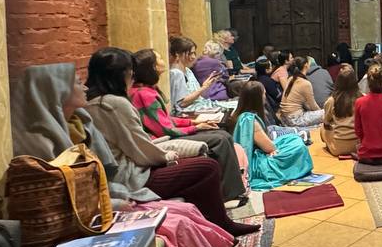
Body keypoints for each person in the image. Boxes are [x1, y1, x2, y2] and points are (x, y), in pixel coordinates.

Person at [12, 64, 273, 247]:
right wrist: (117, 199)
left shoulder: (80, 123)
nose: (84, 86)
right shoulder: (41, 143)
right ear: (57, 91)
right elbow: (69, 197)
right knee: (176, 223)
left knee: (187, 210)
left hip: (112, 196)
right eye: (75, 82)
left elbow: (103, 171)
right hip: (90, 218)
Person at [84, 48, 256, 236]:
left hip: (133, 163)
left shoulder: (97, 103)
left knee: (217, 141)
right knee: (208, 163)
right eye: (129, 71)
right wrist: (169, 155)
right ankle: (222, 222)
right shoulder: (116, 103)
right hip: (132, 174)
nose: (132, 75)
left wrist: (191, 124)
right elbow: (144, 145)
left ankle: (212, 224)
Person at [129, 48, 247, 203]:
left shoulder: (149, 89)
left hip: (167, 131)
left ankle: (229, 190)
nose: (164, 60)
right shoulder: (144, 93)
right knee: (220, 139)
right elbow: (165, 129)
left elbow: (166, 119)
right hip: (161, 140)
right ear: (152, 67)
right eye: (159, 58)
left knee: (222, 134)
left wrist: (193, 122)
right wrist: (196, 127)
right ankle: (228, 195)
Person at [231, 82, 314, 190]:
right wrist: (272, 150)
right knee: (297, 146)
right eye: (264, 94)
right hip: (256, 163)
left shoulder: (240, 115)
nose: (265, 97)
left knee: (293, 138)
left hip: (255, 154)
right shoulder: (250, 120)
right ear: (257, 98)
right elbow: (269, 148)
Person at [168, 36, 218, 116]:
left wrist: (206, 86)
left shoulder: (188, 70)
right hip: (188, 113)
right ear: (178, 54)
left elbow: (197, 96)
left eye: (194, 53)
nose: (193, 57)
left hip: (200, 106)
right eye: (190, 53)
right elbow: (181, 103)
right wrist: (203, 88)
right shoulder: (176, 73)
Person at [320, 65, 361, 156]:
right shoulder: (362, 98)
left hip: (338, 148)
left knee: (322, 127)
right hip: (359, 145)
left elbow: (326, 122)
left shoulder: (332, 100)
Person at [277, 56, 325, 127]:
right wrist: (320, 112)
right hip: (295, 119)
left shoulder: (290, 79)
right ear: (306, 65)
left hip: (284, 118)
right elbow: (313, 106)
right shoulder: (305, 83)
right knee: (325, 112)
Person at [252, 55, 282, 120]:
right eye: (270, 66)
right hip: (276, 107)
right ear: (266, 70)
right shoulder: (267, 81)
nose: (272, 67)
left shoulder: (258, 78)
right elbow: (278, 96)